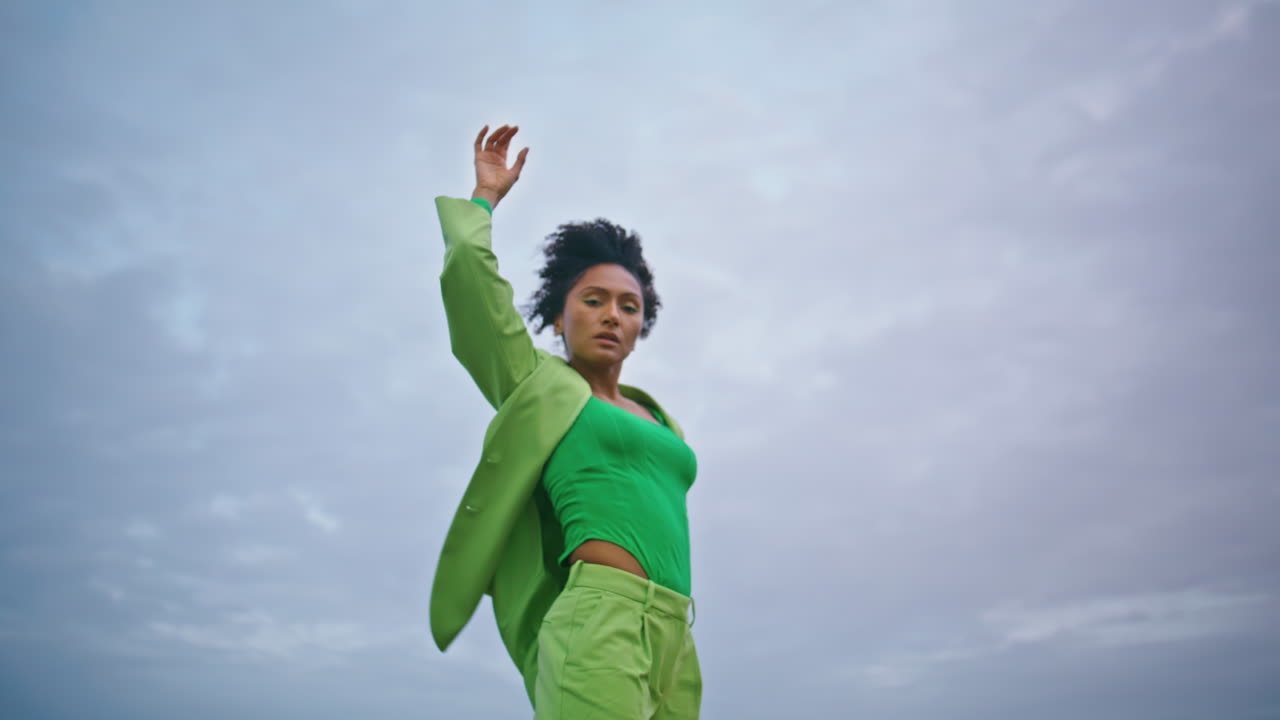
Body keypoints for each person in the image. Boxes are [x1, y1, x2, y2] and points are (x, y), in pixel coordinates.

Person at [428, 124, 702, 718]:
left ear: (642, 324)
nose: (612, 315)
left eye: (628, 306)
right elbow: (473, 286)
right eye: (593, 300)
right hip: (598, 619)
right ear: (559, 317)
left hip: (677, 634)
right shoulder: (540, 384)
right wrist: (485, 198)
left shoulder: (660, 418)